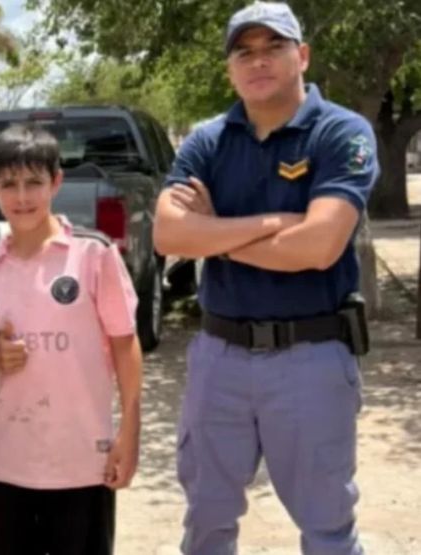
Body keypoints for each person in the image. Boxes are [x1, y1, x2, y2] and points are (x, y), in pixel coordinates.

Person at [153, 3, 379, 554]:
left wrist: (214, 233)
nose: (258, 62)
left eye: (273, 48)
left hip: (311, 354)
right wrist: (273, 225)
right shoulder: (207, 140)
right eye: (244, 52)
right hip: (219, 357)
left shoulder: (342, 132)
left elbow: (320, 246)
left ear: (301, 55)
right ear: (230, 69)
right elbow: (168, 236)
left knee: (327, 527)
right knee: (206, 520)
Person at [0, 124, 143, 555]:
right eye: (8, 184)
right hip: (5, 463)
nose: (22, 197)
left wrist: (130, 433)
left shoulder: (92, 254)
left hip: (80, 463)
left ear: (56, 183)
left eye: (34, 182)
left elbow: (125, 344)